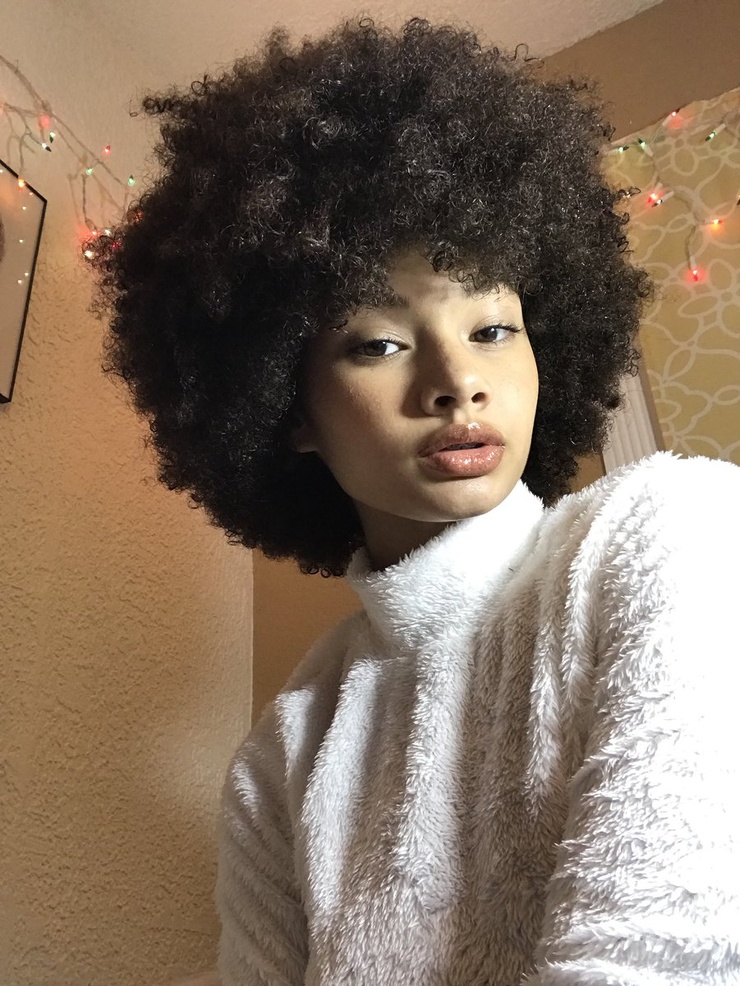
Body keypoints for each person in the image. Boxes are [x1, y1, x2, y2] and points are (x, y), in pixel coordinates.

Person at [86, 15, 740, 986]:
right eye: (378, 343)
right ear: (285, 405)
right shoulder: (283, 750)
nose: (455, 382)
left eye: (492, 328)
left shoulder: (671, 531)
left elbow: (665, 956)